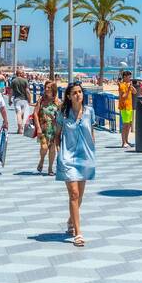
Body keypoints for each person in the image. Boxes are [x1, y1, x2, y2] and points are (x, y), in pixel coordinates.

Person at [54, 81, 96, 246]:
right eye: (75, 93)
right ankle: (78, 233)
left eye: (80, 92)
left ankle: (71, 220)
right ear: (69, 97)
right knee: (74, 194)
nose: (78, 95)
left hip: (85, 157)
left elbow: (91, 133)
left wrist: (93, 153)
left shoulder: (89, 112)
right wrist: (59, 153)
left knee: (80, 196)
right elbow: (57, 135)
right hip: (68, 157)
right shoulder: (63, 114)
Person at [33, 79, 59, 174]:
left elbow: (61, 114)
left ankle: (50, 169)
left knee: (52, 149)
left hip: (54, 128)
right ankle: (42, 160)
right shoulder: (41, 100)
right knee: (44, 147)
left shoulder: (57, 101)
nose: (46, 89)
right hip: (43, 127)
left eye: (49, 87)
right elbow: (35, 114)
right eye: (46, 87)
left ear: (53, 89)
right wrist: (38, 127)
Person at [118, 70, 135, 148]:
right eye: (129, 77)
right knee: (125, 125)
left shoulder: (129, 85)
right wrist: (128, 89)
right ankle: (123, 142)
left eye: (130, 77)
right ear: (124, 77)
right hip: (124, 107)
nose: (130, 78)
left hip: (129, 107)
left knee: (128, 125)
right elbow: (123, 96)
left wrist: (132, 87)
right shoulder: (121, 85)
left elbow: (135, 92)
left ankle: (127, 141)